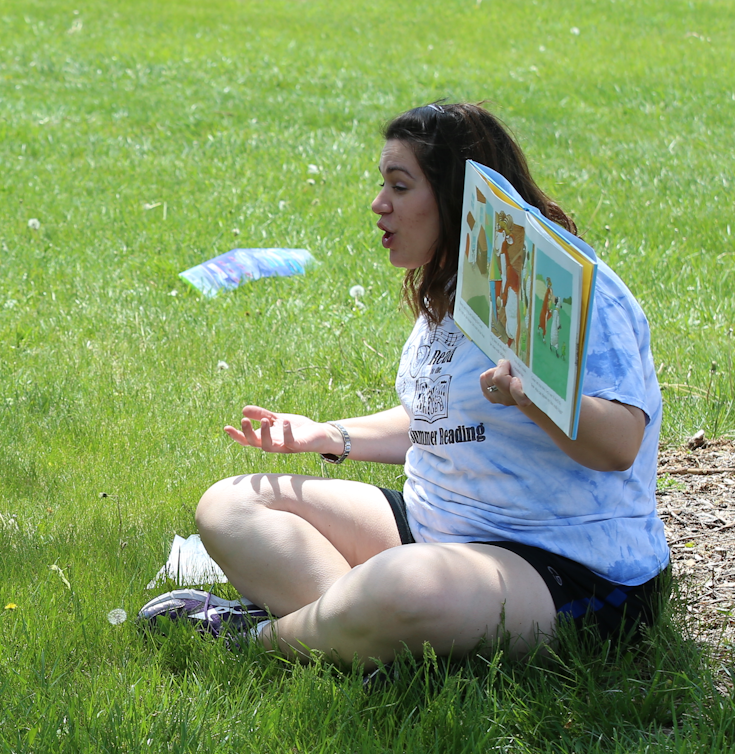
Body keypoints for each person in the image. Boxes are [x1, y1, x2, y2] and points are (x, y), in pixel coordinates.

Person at [145, 101, 670, 662]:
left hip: (565, 564)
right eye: (383, 184)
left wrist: (533, 397)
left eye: (400, 186)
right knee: (231, 505)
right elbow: (437, 419)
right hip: (435, 527)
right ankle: (352, 636)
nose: (379, 205)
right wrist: (329, 435)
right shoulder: (457, 287)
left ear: (458, 196)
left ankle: (254, 639)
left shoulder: (573, 290)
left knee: (402, 584)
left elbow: (619, 445)